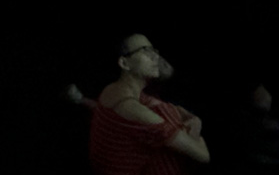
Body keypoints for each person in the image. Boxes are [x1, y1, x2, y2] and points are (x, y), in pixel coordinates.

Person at [88, 34, 211, 175]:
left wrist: (193, 119)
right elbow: (203, 155)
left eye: (154, 51)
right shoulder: (130, 108)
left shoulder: (116, 89)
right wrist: (195, 128)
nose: (156, 57)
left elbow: (172, 108)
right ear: (124, 63)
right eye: (145, 50)